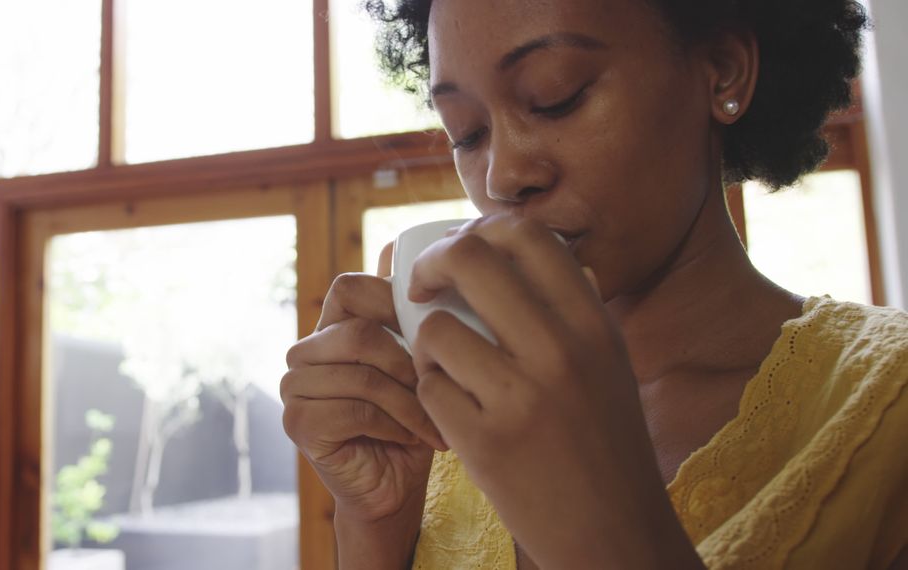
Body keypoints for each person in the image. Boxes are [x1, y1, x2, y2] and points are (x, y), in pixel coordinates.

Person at [281, 0, 908, 567]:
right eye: (467, 133)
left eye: (556, 96)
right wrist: (376, 526)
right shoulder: (450, 421)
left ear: (722, 70)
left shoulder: (885, 409)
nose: (502, 175)